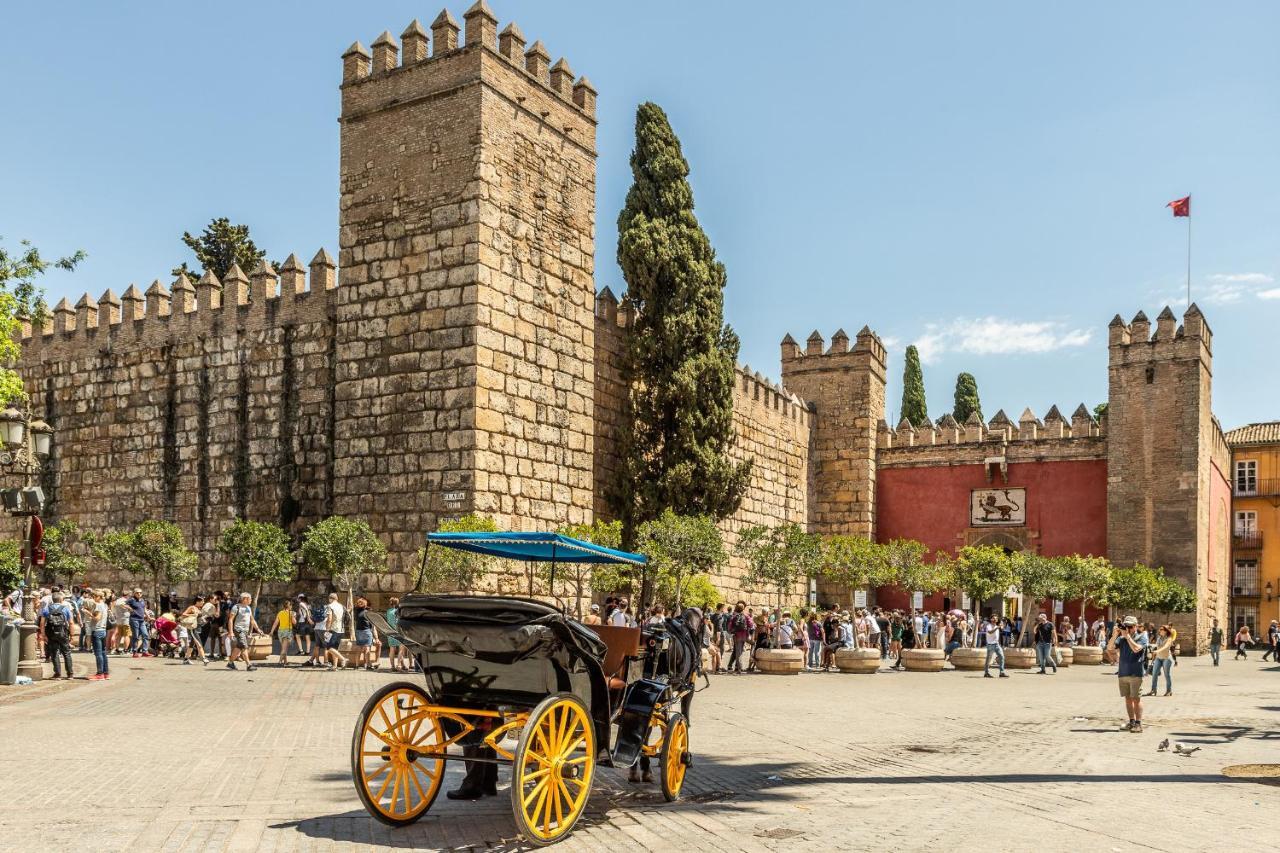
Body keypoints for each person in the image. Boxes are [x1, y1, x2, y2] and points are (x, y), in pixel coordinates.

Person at [1111, 615, 1149, 732]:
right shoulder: (1121, 638)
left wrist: (1127, 637)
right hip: (1123, 672)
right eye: (1126, 626)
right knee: (1128, 698)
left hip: (1135, 673)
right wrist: (1114, 635)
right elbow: (1110, 648)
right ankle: (1131, 721)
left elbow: (1136, 649)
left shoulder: (1142, 637)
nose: (1128, 628)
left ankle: (1138, 724)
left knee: (1136, 699)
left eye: (1130, 626)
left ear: (1136, 626)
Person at [39, 591, 75, 680]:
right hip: (63, 633)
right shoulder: (65, 608)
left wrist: (43, 635)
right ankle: (70, 674)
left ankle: (57, 674)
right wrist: (72, 635)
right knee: (66, 653)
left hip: (51, 633)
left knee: (54, 653)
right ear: (61, 599)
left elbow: (42, 623)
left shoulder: (46, 609)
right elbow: (71, 622)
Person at [225, 592, 260, 672]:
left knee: (239, 647)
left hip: (245, 631)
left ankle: (230, 663)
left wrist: (258, 629)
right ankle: (249, 665)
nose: (251, 600)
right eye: (250, 598)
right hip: (238, 630)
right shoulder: (236, 607)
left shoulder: (248, 608)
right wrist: (231, 632)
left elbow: (252, 620)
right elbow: (230, 620)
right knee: (244, 647)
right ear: (244, 599)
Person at [81, 588, 110, 680]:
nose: (93, 598)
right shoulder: (105, 605)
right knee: (103, 652)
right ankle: (106, 673)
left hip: (97, 630)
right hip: (103, 630)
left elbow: (97, 618)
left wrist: (87, 613)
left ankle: (100, 673)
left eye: (94, 596)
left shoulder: (98, 605)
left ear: (98, 597)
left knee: (98, 654)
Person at [1146, 625, 1177, 696]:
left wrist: (1158, 651)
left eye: (1162, 629)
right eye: (1160, 629)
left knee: (1167, 675)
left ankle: (1169, 691)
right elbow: (1157, 646)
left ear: (1166, 631)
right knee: (1154, 674)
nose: (1160, 630)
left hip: (1166, 658)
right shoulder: (1159, 638)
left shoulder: (1169, 639)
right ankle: (1153, 690)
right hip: (1158, 658)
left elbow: (1165, 647)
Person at [322, 592, 348, 670]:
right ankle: (335, 666)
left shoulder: (329, 606)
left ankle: (343, 659)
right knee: (335, 648)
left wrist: (327, 630)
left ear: (330, 598)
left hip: (333, 629)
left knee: (329, 647)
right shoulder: (342, 606)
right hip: (341, 629)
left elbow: (329, 619)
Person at [352, 596, 378, 669]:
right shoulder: (367, 613)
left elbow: (353, 606)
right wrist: (376, 637)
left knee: (359, 648)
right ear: (365, 604)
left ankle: (357, 666)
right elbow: (372, 625)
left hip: (358, 631)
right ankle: (368, 665)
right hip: (366, 632)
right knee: (367, 649)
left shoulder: (356, 612)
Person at [268, 600, 295, 666]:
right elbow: (294, 622)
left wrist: (272, 631)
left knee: (283, 647)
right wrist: (293, 616)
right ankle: (280, 661)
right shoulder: (292, 613)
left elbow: (275, 623)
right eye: (291, 605)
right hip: (287, 632)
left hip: (280, 631)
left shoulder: (280, 613)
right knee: (284, 648)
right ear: (290, 606)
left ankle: (285, 662)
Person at [726, 602, 752, 674]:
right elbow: (751, 624)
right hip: (744, 636)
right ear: (743, 609)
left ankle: (739, 668)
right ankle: (739, 667)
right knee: (740, 651)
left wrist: (732, 632)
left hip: (737, 636)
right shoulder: (746, 616)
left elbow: (729, 627)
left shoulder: (734, 616)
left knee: (738, 652)